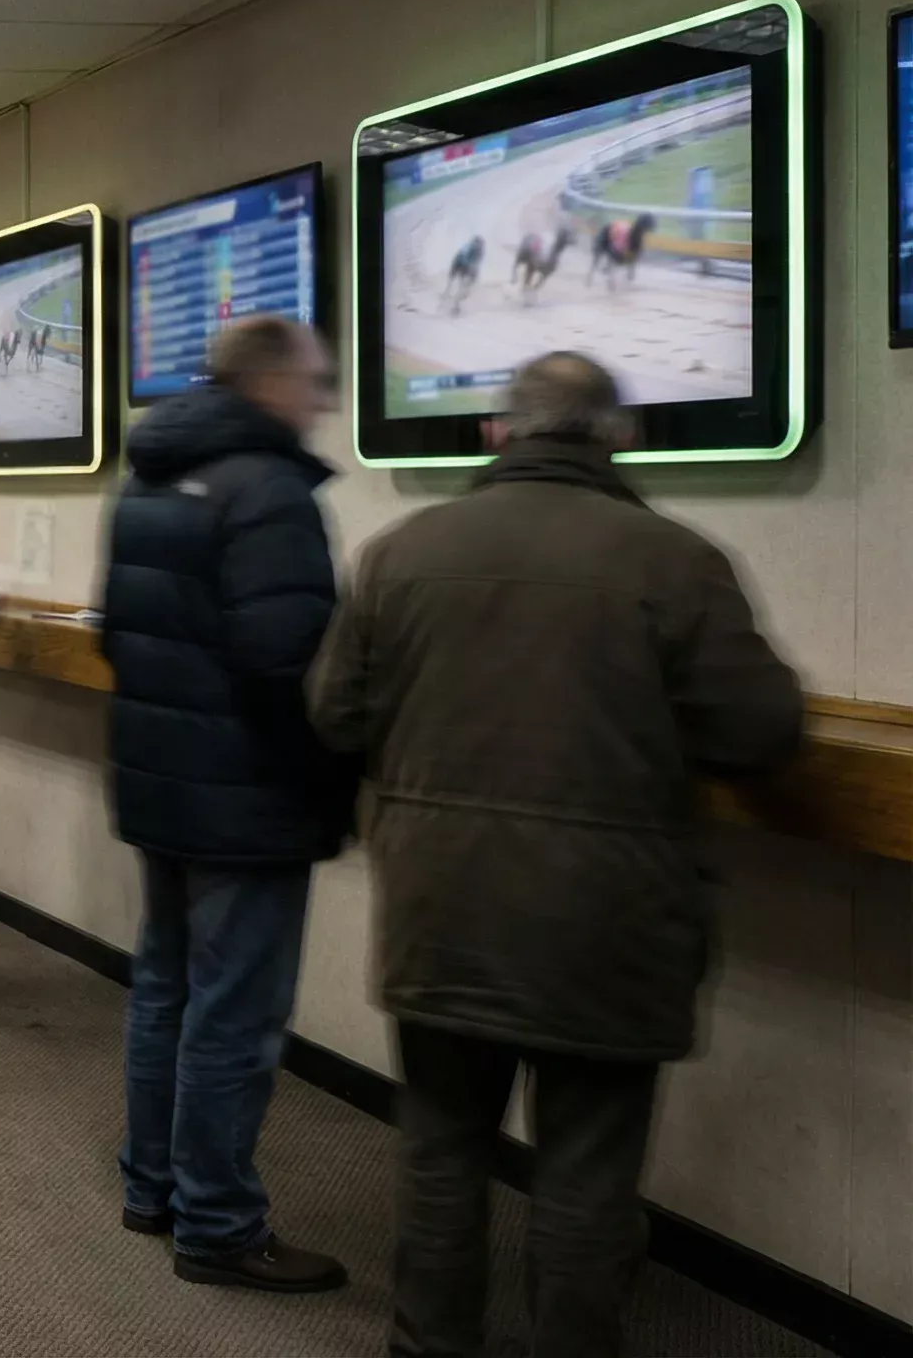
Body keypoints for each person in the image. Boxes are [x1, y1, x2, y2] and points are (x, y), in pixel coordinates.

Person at [309, 353, 802, 1358]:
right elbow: (758, 734)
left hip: (440, 905)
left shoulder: (400, 552)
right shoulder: (675, 561)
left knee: (441, 1149)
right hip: (607, 919)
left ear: (498, 433)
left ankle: (426, 1345)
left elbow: (332, 713)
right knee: (585, 1172)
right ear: (617, 436)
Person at [100, 314, 352, 1293]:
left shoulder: (147, 479)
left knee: (163, 989)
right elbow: (288, 664)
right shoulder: (270, 489)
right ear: (266, 385)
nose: (322, 401)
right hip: (249, 796)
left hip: (161, 782)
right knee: (234, 1017)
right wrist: (329, 779)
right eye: (314, 382)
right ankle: (216, 1226)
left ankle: (149, 1187)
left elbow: (120, 635)